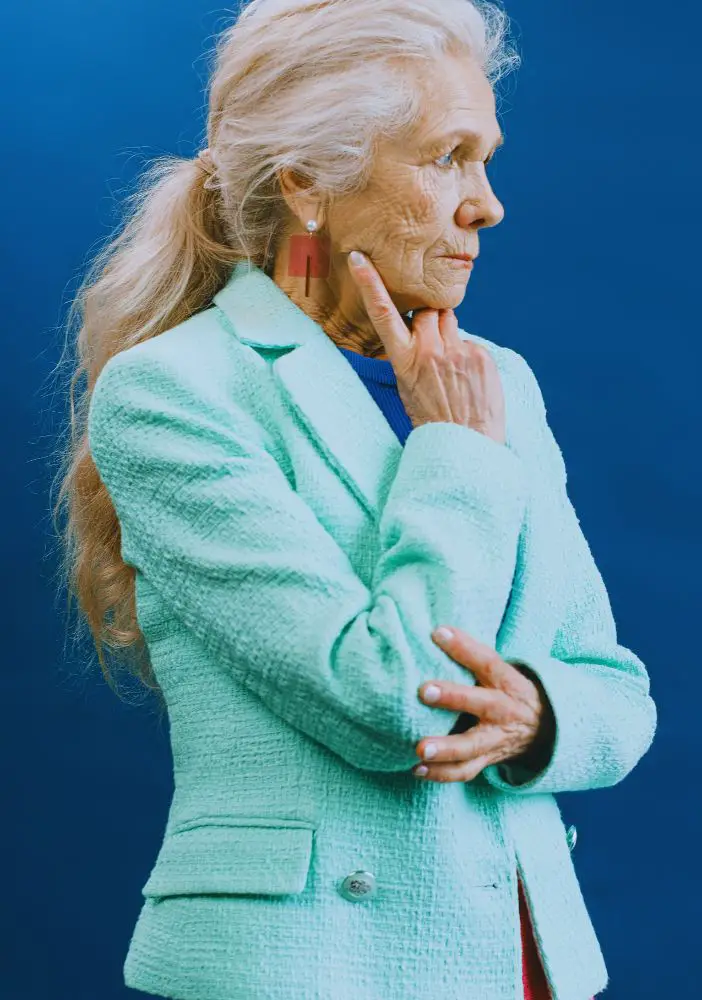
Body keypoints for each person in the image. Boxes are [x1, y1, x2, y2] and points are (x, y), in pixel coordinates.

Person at [54, 1, 657, 997]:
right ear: (307, 186)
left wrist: (537, 716)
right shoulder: (173, 392)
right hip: (308, 965)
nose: (486, 204)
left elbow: (614, 688)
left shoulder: (495, 376)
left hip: (522, 960)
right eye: (445, 157)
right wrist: (456, 451)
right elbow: (387, 700)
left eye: (486, 157)